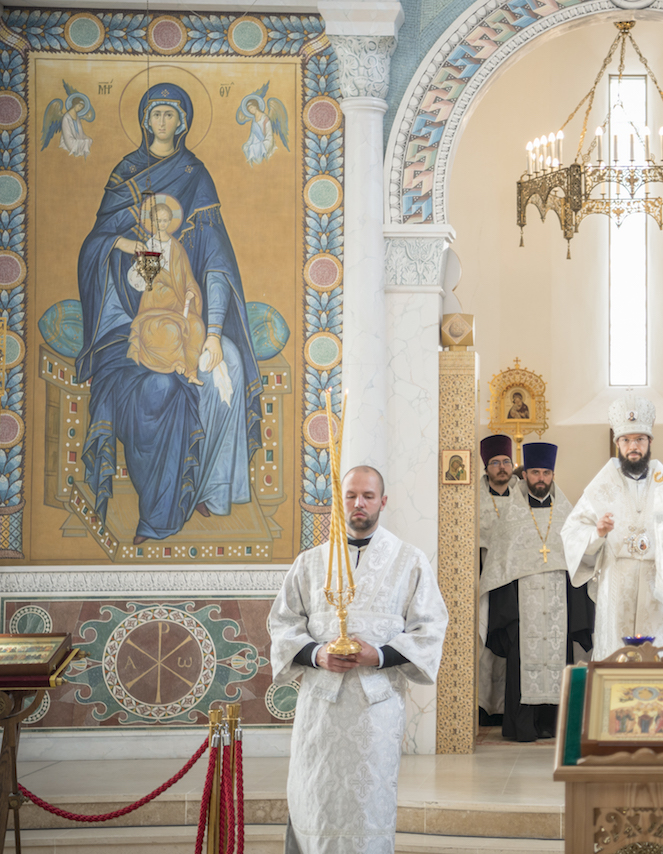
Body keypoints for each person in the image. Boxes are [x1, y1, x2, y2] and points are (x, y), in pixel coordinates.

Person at [77, 83, 264, 545]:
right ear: (144, 119)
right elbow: (98, 247)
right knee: (156, 390)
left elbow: (216, 262)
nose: (163, 122)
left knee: (232, 369)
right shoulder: (127, 175)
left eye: (171, 114)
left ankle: (210, 489)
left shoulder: (195, 176)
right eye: (155, 113)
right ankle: (158, 506)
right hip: (125, 325)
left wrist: (215, 334)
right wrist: (127, 244)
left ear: (182, 122)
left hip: (188, 323)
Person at [268, 466, 449, 854]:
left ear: (383, 501)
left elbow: (430, 628)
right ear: (340, 502)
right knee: (315, 799)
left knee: (367, 805)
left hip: (375, 712)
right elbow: (282, 624)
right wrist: (317, 654)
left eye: (368, 495)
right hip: (320, 708)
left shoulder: (410, 561)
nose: (359, 503)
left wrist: (379, 655)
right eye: (350, 495)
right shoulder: (310, 562)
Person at [561, 394, 663, 656]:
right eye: (626, 440)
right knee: (616, 656)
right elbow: (571, 533)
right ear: (617, 443)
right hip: (617, 585)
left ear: (650, 442)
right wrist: (597, 533)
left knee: (660, 657)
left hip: (659, 590)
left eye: (639, 439)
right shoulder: (600, 488)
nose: (633, 446)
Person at [479, 442, 595, 741]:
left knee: (559, 657)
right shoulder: (512, 518)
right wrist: (508, 616)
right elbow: (500, 566)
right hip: (523, 608)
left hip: (559, 604)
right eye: (534, 472)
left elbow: (580, 562)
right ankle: (524, 727)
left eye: (546, 472)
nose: (540, 478)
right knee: (523, 662)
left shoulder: (567, 516)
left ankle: (555, 725)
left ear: (552, 474)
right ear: (525, 474)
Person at [126, 201, 206, 386]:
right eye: (158, 220)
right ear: (152, 222)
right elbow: (138, 280)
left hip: (177, 302)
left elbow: (187, 278)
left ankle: (192, 371)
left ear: (170, 221)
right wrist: (144, 271)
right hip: (155, 304)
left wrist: (191, 292)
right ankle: (178, 363)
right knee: (169, 329)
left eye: (164, 220)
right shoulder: (149, 246)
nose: (161, 224)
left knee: (196, 326)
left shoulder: (177, 248)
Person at [476, 434, 518, 721]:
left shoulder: (524, 495)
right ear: (486, 467)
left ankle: (505, 706)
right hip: (485, 576)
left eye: (506, 461)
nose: (502, 467)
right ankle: (483, 705)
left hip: (516, 579)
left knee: (512, 643)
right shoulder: (473, 498)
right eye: (495, 463)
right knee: (484, 640)